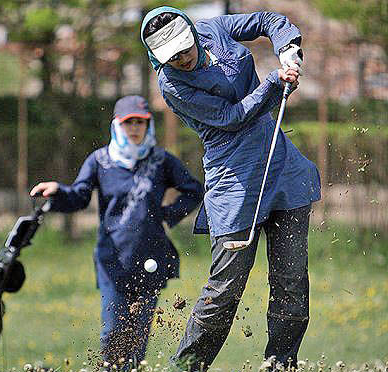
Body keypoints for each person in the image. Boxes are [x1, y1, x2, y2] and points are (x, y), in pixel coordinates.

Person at [140, 7, 321, 371]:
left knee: (291, 280)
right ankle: (187, 366)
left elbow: (266, 21)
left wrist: (287, 46)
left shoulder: (211, 29)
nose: (182, 58)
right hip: (233, 178)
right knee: (226, 288)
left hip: (279, 164)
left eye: (184, 47)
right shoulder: (172, 85)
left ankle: (281, 363)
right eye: (171, 56)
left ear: (191, 31)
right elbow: (231, 118)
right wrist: (273, 82)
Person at [30, 95, 203, 369]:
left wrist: (167, 215)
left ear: (148, 125)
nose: (134, 128)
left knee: (138, 337)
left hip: (152, 259)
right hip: (112, 261)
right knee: (113, 333)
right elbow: (80, 196)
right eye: (128, 122)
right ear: (117, 125)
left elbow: (194, 190)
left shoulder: (161, 161)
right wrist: (58, 192)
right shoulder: (100, 161)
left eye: (140, 122)